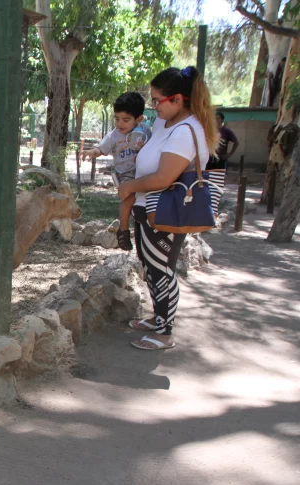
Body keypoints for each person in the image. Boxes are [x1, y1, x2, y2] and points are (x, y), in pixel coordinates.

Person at [117, 66, 218, 351]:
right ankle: (157, 318)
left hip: (166, 212)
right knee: (151, 266)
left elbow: (164, 177)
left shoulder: (186, 131)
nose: (153, 106)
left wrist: (130, 186)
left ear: (177, 99)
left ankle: (164, 333)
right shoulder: (166, 123)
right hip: (147, 209)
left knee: (162, 269)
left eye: (157, 100)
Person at [83, 92, 151, 251]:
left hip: (143, 171)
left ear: (138, 119)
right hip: (125, 175)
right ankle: (124, 230)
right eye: (117, 118)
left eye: (125, 120)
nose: (120, 123)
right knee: (129, 198)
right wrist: (94, 152)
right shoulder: (114, 135)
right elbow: (102, 148)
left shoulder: (145, 130)